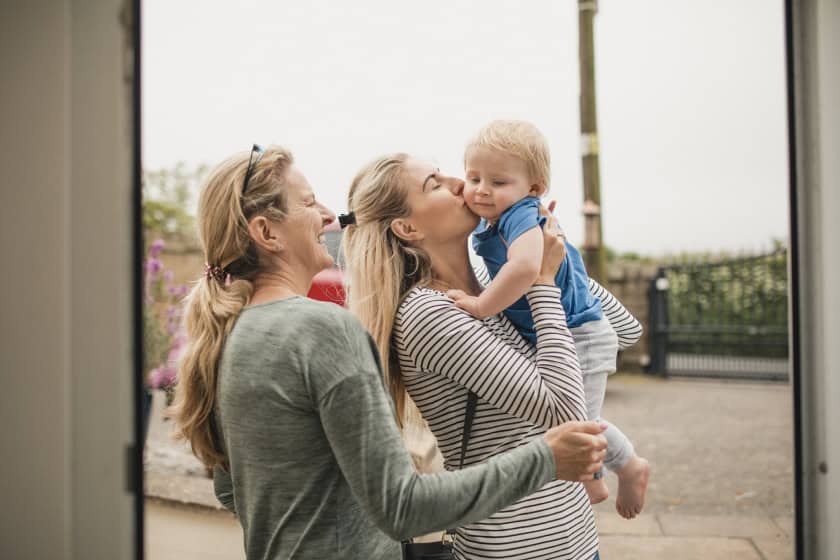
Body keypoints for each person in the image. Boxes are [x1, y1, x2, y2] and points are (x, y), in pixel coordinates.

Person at [169, 144, 608, 560]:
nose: (328, 215)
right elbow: (401, 506)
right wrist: (546, 457)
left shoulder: (235, 332)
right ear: (266, 232)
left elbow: (231, 489)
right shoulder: (324, 329)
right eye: (308, 202)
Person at [342, 153, 599, 560]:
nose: (459, 183)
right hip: (514, 547)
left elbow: (621, 329)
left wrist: (544, 251)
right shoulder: (428, 313)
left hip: (574, 538)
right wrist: (543, 282)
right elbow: (566, 409)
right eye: (434, 183)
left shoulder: (491, 288)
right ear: (407, 228)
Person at [448, 119, 651, 518]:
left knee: (578, 418)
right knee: (577, 416)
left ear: (534, 188)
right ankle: (613, 469)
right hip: (566, 329)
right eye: (473, 178)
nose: (481, 189)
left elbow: (526, 268)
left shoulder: (520, 215)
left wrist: (481, 305)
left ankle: (620, 469)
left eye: (498, 181)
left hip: (581, 333)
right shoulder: (501, 217)